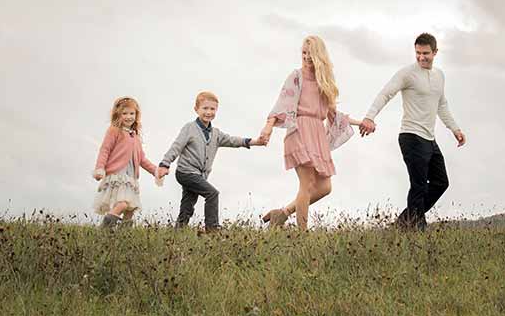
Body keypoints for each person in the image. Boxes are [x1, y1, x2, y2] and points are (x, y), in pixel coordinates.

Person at [360, 33, 467, 230]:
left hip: (429, 139)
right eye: (417, 53)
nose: (421, 57)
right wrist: (369, 117)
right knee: (418, 186)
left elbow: (441, 104)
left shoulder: (439, 75)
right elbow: (386, 93)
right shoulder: (407, 74)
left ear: (435, 52)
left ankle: (402, 223)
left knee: (441, 182)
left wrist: (455, 129)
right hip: (411, 136)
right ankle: (417, 231)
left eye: (425, 53)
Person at [259, 35, 358, 231]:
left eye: (310, 53)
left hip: (317, 134)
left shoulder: (324, 82)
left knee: (324, 187)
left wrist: (360, 122)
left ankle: (283, 213)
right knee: (307, 183)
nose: (306, 57)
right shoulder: (296, 76)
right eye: (303, 53)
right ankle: (302, 235)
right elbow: (281, 104)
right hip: (299, 130)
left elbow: (333, 114)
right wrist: (268, 127)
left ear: (319, 56)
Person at [156, 91, 268, 230]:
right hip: (185, 172)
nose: (209, 112)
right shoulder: (189, 128)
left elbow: (232, 140)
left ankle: (178, 230)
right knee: (212, 193)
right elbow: (176, 146)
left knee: (188, 204)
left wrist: (256, 142)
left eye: (212, 109)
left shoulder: (216, 133)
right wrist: (164, 164)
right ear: (196, 109)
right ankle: (212, 229)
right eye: (205, 108)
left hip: (199, 175)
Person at [92, 96, 160, 227]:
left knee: (131, 209)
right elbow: (104, 150)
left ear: (136, 115)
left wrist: (155, 171)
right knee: (123, 203)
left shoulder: (135, 136)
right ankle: (105, 228)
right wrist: (100, 168)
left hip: (131, 177)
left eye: (132, 113)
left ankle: (124, 236)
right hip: (118, 175)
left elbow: (142, 159)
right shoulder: (114, 130)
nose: (129, 116)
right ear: (118, 114)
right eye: (125, 113)